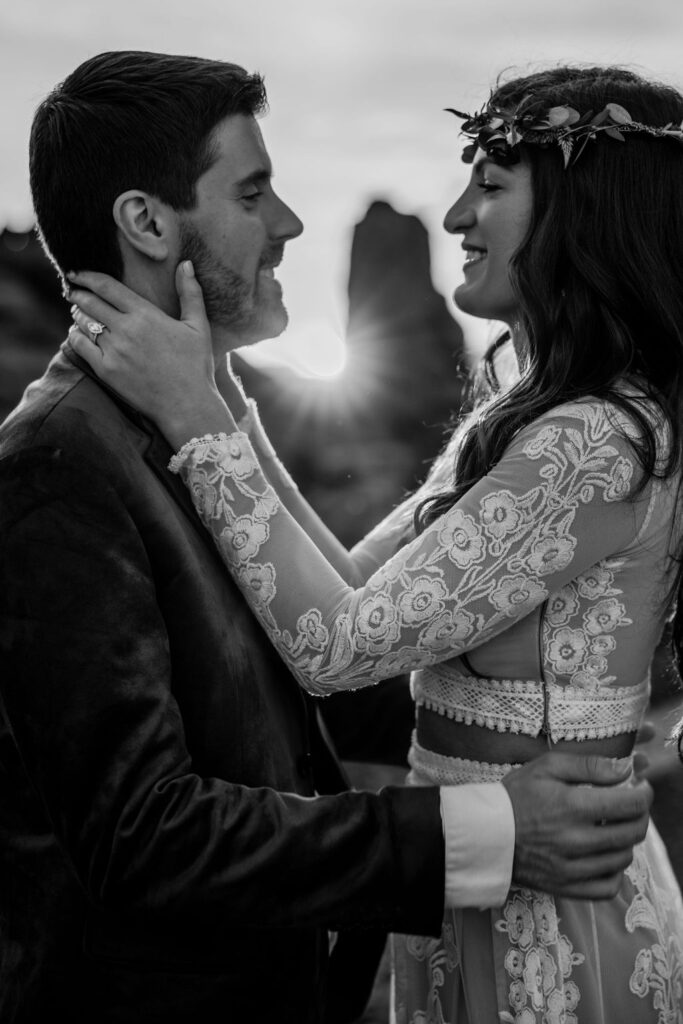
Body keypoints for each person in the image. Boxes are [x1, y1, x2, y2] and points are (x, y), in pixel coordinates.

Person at [0, 51, 653, 1024]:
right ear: (145, 220)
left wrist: (558, 740)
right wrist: (489, 820)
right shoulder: (57, 464)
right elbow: (143, 832)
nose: (291, 223)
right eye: (254, 190)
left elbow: (315, 652)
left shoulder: (171, 429)